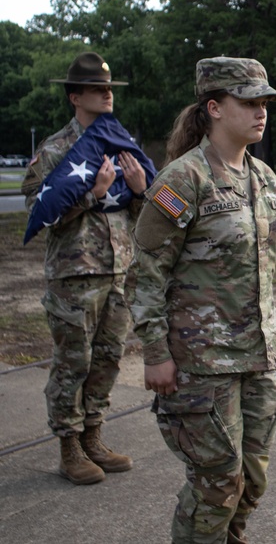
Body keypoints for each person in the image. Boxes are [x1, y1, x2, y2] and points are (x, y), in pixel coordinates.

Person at [130, 57, 276, 543]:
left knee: (252, 478)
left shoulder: (264, 178)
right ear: (215, 108)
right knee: (217, 481)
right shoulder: (184, 179)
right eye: (249, 102)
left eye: (265, 103)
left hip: (256, 357)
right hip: (201, 362)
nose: (261, 112)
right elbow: (146, 271)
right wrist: (155, 354)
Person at [22, 52, 148, 485]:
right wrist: (93, 193)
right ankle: (69, 446)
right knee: (72, 362)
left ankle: (94, 435)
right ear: (75, 96)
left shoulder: (121, 143)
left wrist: (139, 190)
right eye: (98, 89)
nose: (107, 94)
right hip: (75, 276)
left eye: (110, 88)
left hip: (118, 272)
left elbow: (150, 214)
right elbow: (39, 213)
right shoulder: (57, 150)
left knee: (108, 360)